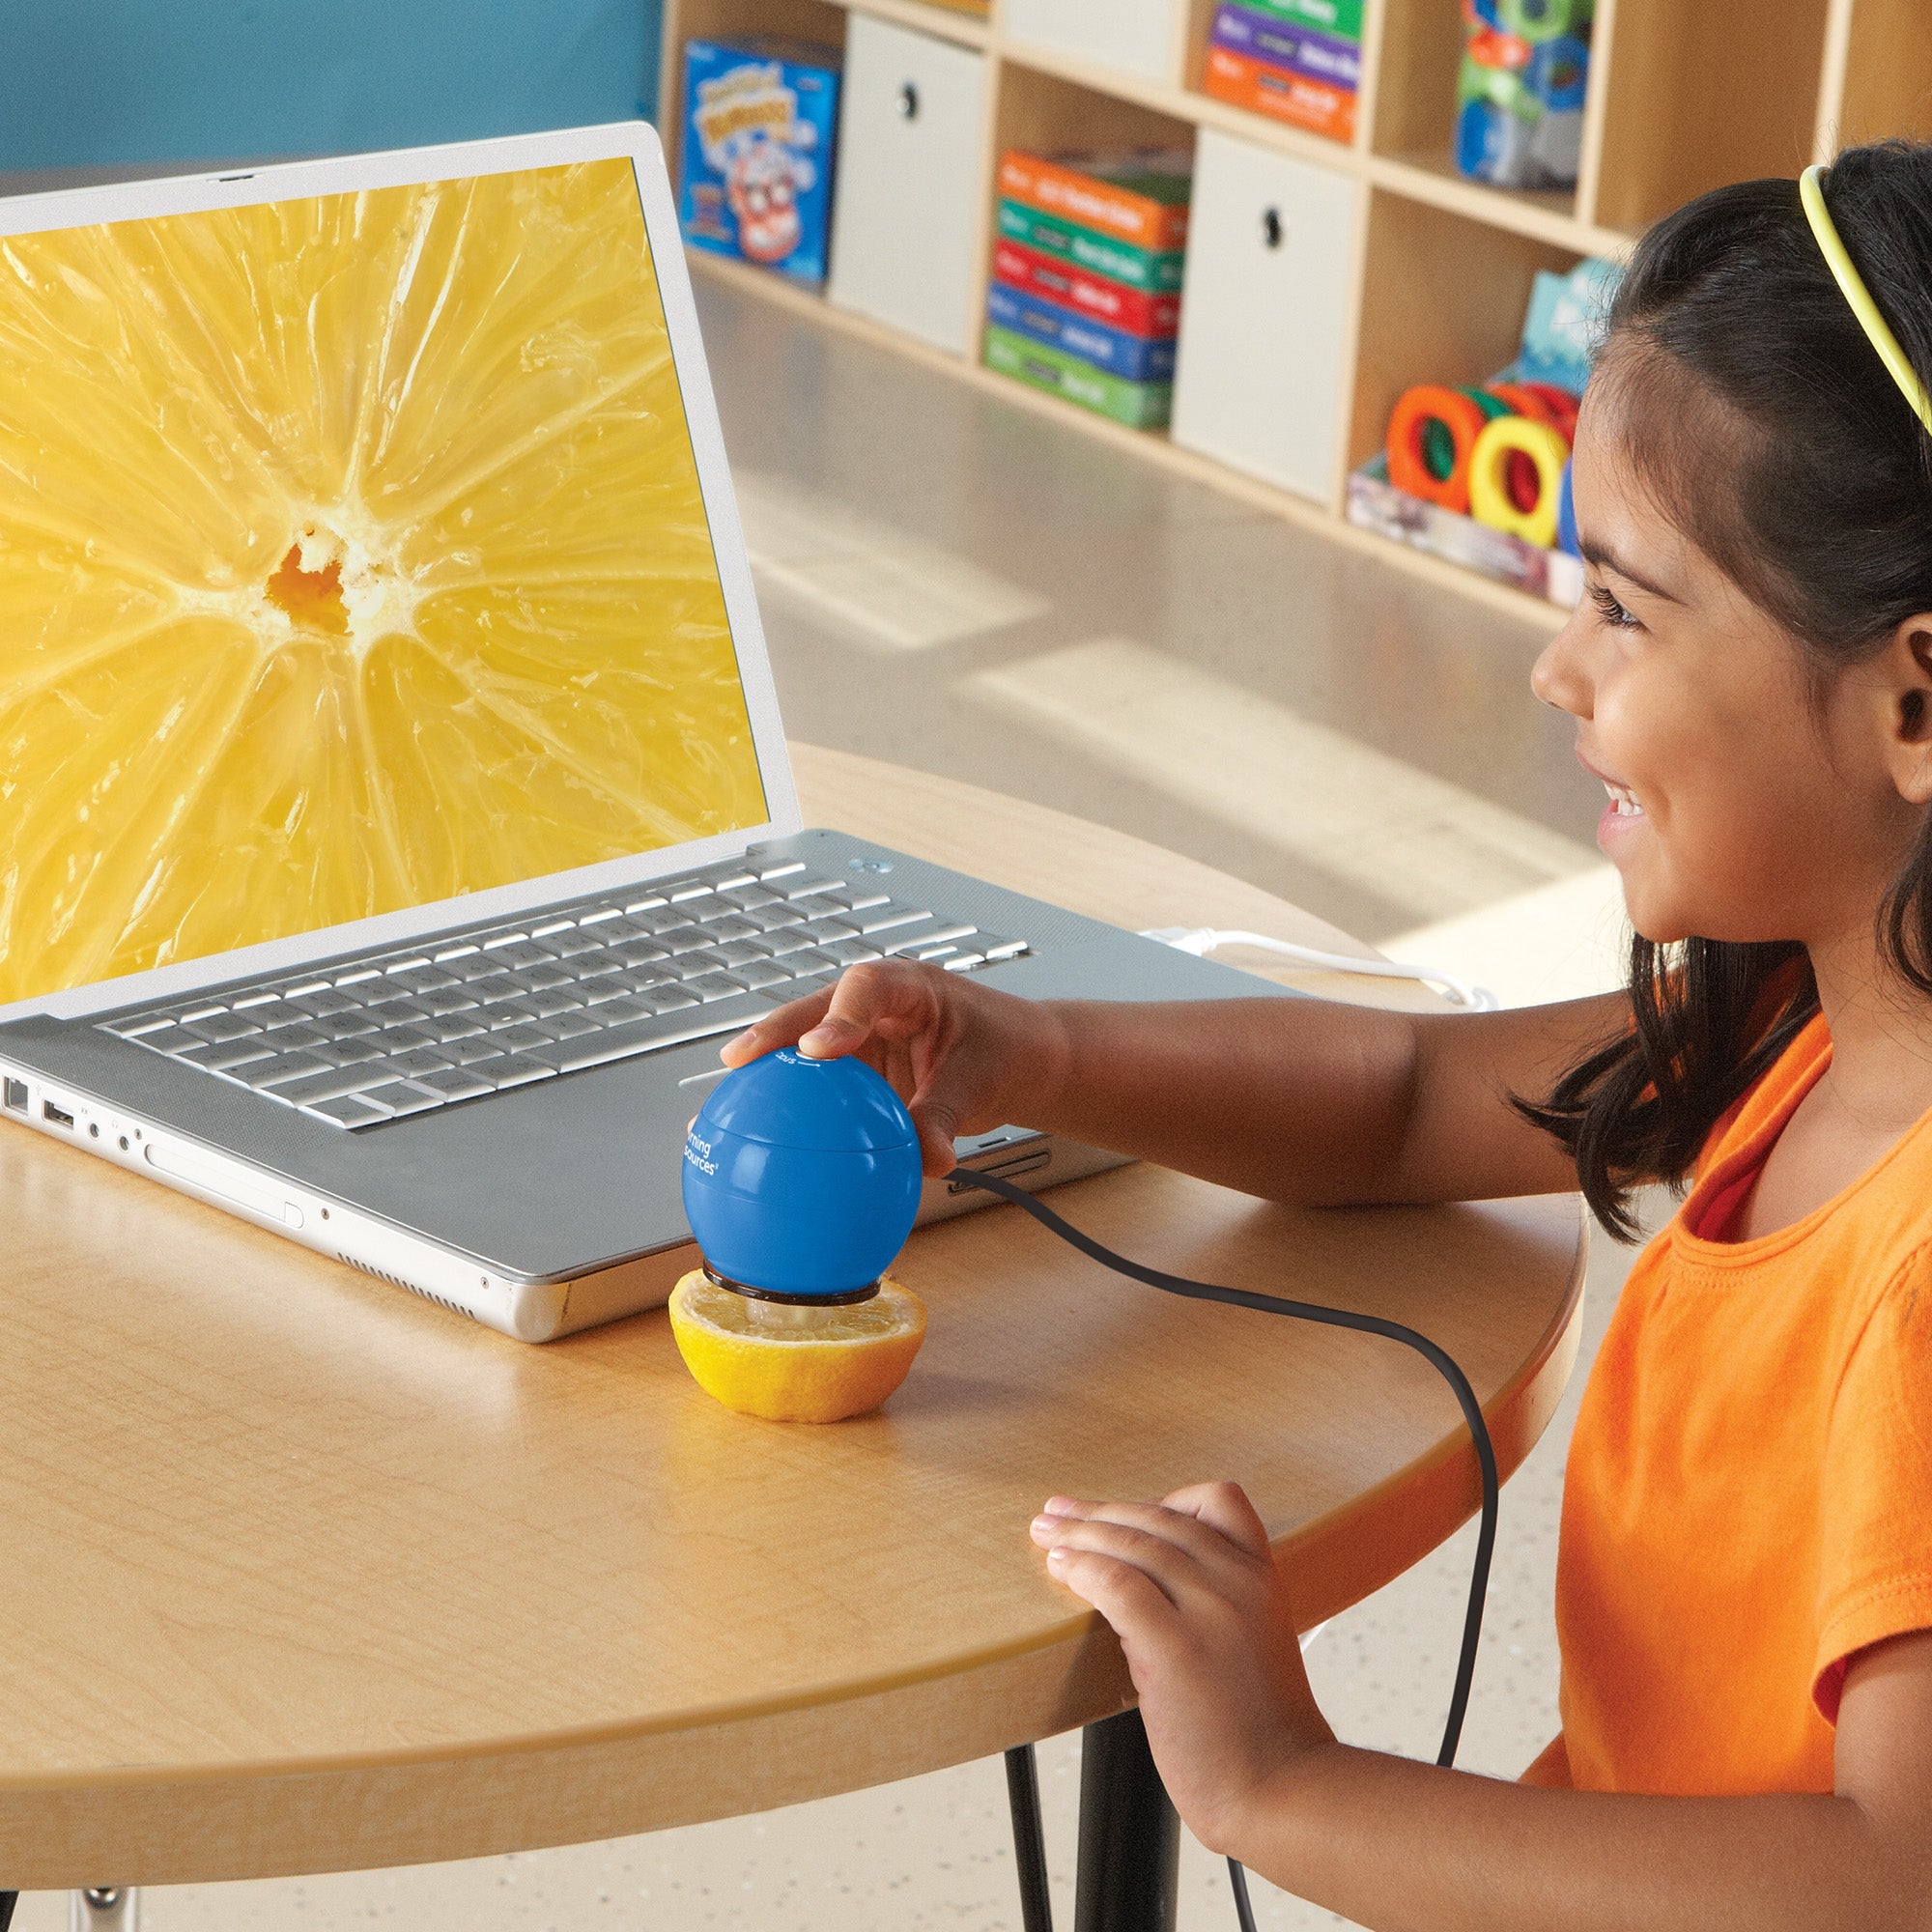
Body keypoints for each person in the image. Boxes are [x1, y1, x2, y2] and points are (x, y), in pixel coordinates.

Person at [720, 139, 1932, 1928]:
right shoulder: (1809, 1028)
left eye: (1620, 605)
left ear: (1916, 701)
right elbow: (1402, 1098)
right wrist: (1033, 1054)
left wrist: (1292, 1786)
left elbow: (1887, 1880)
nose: (1555, 668)